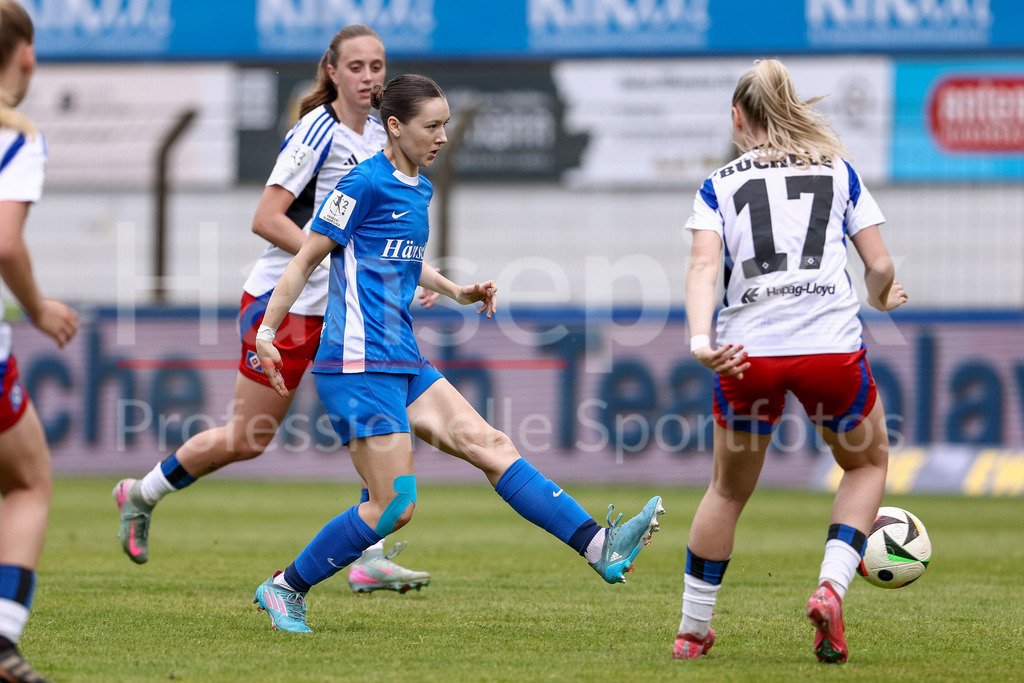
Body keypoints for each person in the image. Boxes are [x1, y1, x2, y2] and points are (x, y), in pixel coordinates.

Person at [251, 73, 665, 633]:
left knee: (491, 445)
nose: (443, 136)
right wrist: (267, 332)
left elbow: (401, 256)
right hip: (357, 363)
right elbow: (305, 259)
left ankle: (599, 545)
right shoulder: (361, 183)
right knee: (392, 507)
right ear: (395, 126)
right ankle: (285, 587)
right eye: (433, 125)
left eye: (447, 124)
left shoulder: (417, 186)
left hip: (402, 356)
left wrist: (456, 290)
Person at [112, 24, 431, 593]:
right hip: (282, 306)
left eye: (377, 66)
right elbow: (266, 218)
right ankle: (142, 493)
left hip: (341, 311)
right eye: (356, 67)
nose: (369, 77)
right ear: (331, 71)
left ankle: (368, 556)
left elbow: (368, 238)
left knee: (376, 418)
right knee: (248, 437)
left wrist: (400, 273)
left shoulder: (381, 140)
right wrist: (332, 257)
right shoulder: (317, 130)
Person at [672, 59, 907, 664]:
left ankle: (693, 632)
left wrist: (701, 341)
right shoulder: (837, 171)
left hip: (749, 353)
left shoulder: (719, 183)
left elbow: (703, 268)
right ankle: (831, 587)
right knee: (866, 465)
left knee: (726, 492)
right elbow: (878, 267)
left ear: (737, 118)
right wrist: (882, 297)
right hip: (829, 348)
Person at [0, 2, 80, 680]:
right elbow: (5, 241)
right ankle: (1, 640)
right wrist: (39, 307)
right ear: (26, 55)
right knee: (27, 481)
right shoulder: (15, 135)